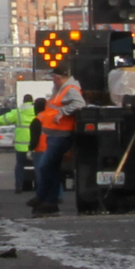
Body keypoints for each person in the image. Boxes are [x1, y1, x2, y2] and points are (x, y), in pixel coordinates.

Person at [30, 66, 85, 216]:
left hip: (61, 135)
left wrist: (62, 112)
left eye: (53, 77)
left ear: (57, 77)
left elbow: (79, 103)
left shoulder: (69, 89)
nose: (52, 80)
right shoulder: (60, 89)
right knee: (51, 168)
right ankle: (49, 202)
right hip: (55, 135)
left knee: (45, 166)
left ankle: (42, 197)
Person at [0, 94, 37, 192]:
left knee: (20, 166)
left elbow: (4, 119)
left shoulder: (18, 112)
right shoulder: (37, 112)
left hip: (21, 146)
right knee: (38, 166)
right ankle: (39, 187)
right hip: (35, 146)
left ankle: (19, 186)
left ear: (23, 101)